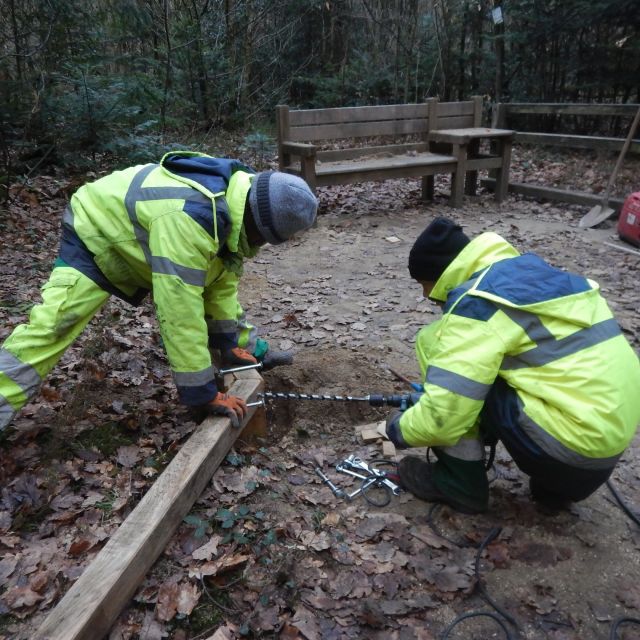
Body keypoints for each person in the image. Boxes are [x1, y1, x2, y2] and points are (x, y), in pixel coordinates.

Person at [0, 152, 318, 430]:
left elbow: (219, 290)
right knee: (53, 327)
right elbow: (179, 311)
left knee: (212, 282)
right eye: (263, 239)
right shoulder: (192, 218)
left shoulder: (237, 203)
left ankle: (247, 346)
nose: (260, 246)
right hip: (96, 230)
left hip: (146, 233)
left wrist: (233, 345)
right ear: (256, 222)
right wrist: (203, 393)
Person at [386, 217, 640, 514]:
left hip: (568, 452)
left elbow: (443, 416)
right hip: (606, 447)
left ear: (438, 276)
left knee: (447, 360)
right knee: (504, 370)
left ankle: (459, 485)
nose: (424, 295)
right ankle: (553, 489)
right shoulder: (532, 275)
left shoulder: (477, 305)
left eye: (423, 284)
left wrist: (398, 428)